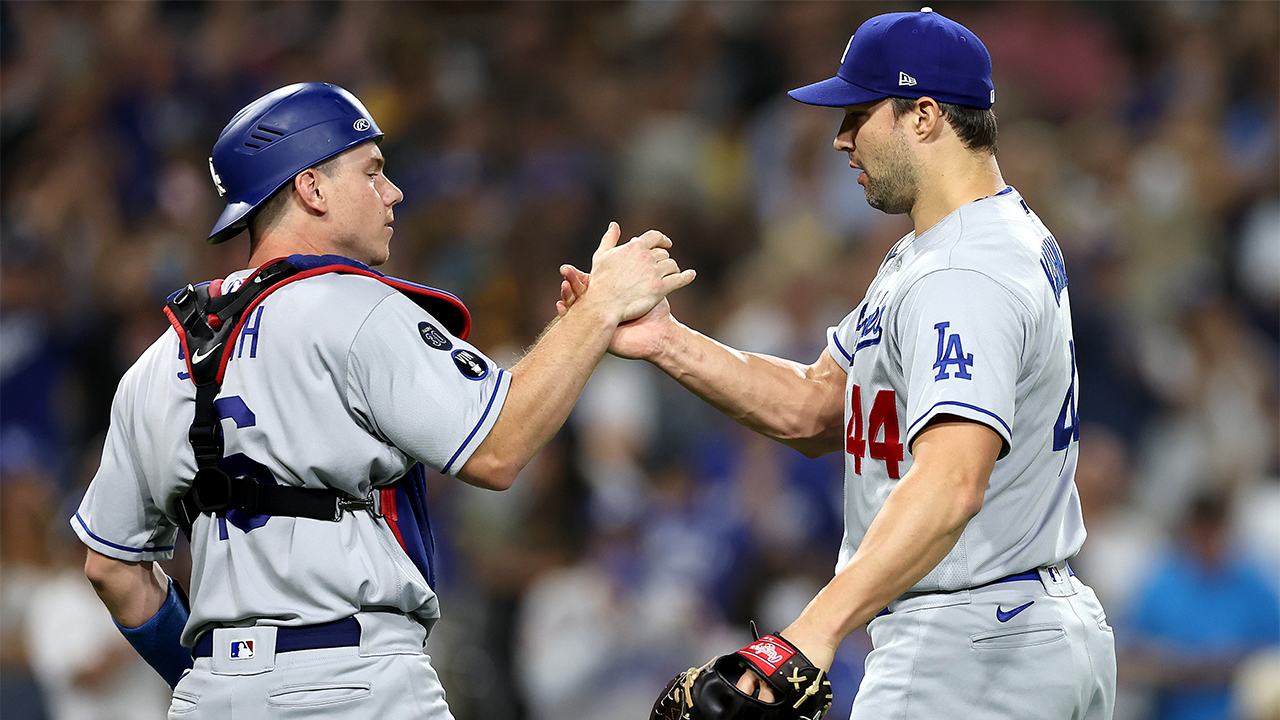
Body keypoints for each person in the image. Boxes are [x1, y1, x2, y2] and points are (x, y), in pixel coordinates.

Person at [71, 82, 693, 719]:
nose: (393, 193)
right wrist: (599, 309)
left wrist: (212, 683)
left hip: (212, 697)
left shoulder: (157, 362)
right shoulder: (356, 308)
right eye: (371, 172)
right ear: (311, 188)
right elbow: (499, 449)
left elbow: (111, 569)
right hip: (354, 681)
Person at [562, 9, 1116, 719]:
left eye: (858, 114)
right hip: (1016, 628)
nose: (840, 138)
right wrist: (666, 341)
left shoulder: (961, 271)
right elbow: (819, 405)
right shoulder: (957, 243)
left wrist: (809, 634)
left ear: (923, 116)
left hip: (969, 643)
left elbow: (952, 480)